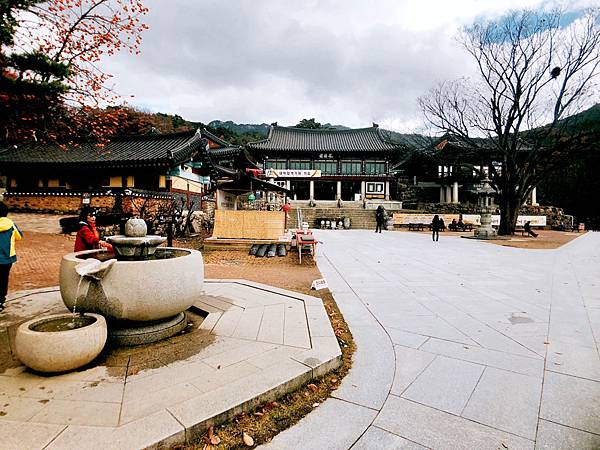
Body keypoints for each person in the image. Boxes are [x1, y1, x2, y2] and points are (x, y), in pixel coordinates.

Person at [0, 202, 22, 312]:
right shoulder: (11, 224)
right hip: (7, 258)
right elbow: (19, 237)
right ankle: (1, 301)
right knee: (3, 279)